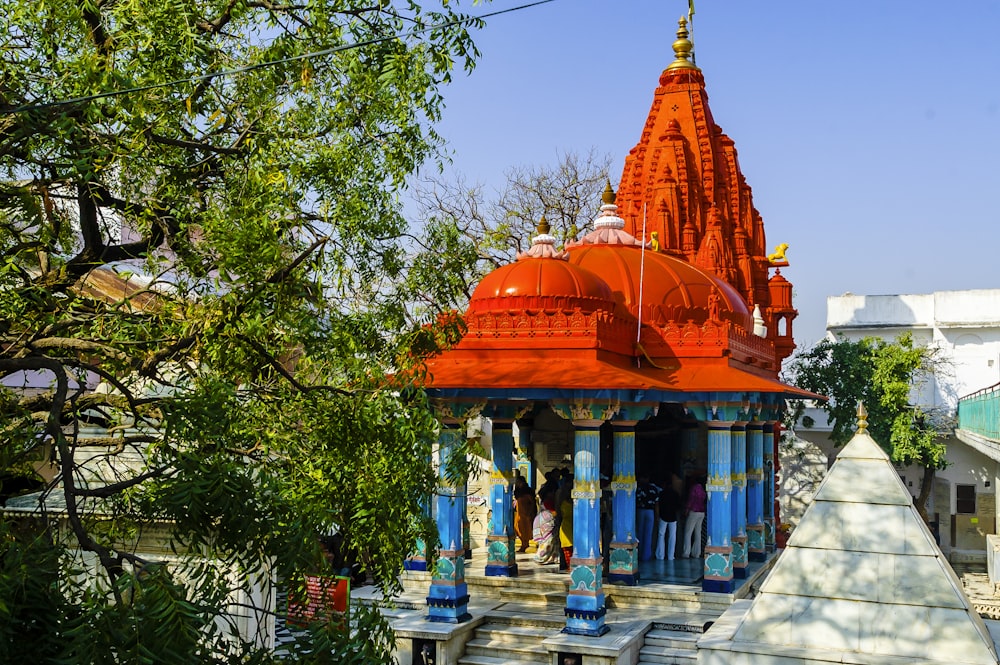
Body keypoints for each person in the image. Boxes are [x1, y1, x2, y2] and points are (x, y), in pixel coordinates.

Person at [635, 473, 661, 561]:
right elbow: (656, 503)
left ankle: (639, 554)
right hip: (650, 512)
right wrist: (657, 516)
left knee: (639, 533)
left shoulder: (638, 488)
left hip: (641, 511)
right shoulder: (654, 489)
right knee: (648, 534)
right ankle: (646, 556)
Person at [656, 474, 681, 560]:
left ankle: (660, 555)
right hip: (673, 517)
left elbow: (659, 504)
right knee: (672, 536)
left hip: (663, 516)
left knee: (661, 535)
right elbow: (678, 506)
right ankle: (671, 556)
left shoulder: (662, 493)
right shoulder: (676, 494)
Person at [682, 476, 707, 559]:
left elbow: (691, 500)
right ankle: (696, 553)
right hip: (701, 512)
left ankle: (686, 552)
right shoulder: (703, 489)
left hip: (694, 511)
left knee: (688, 532)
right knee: (698, 533)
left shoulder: (694, 488)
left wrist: (686, 510)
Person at [513, 476, 537, 552]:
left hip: (526, 514)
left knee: (526, 530)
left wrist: (530, 512)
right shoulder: (518, 491)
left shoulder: (527, 491)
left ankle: (525, 545)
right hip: (519, 513)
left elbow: (532, 502)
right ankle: (524, 544)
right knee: (518, 529)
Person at [532, 496, 559, 564]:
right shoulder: (550, 500)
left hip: (541, 520)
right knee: (547, 542)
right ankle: (541, 557)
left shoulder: (546, 500)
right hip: (546, 521)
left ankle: (551, 557)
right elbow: (553, 512)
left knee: (546, 542)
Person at [557, 479, 574, 571]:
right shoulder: (571, 505)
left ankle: (568, 566)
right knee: (568, 549)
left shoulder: (565, 504)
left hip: (569, 527)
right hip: (567, 527)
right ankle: (569, 566)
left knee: (568, 548)